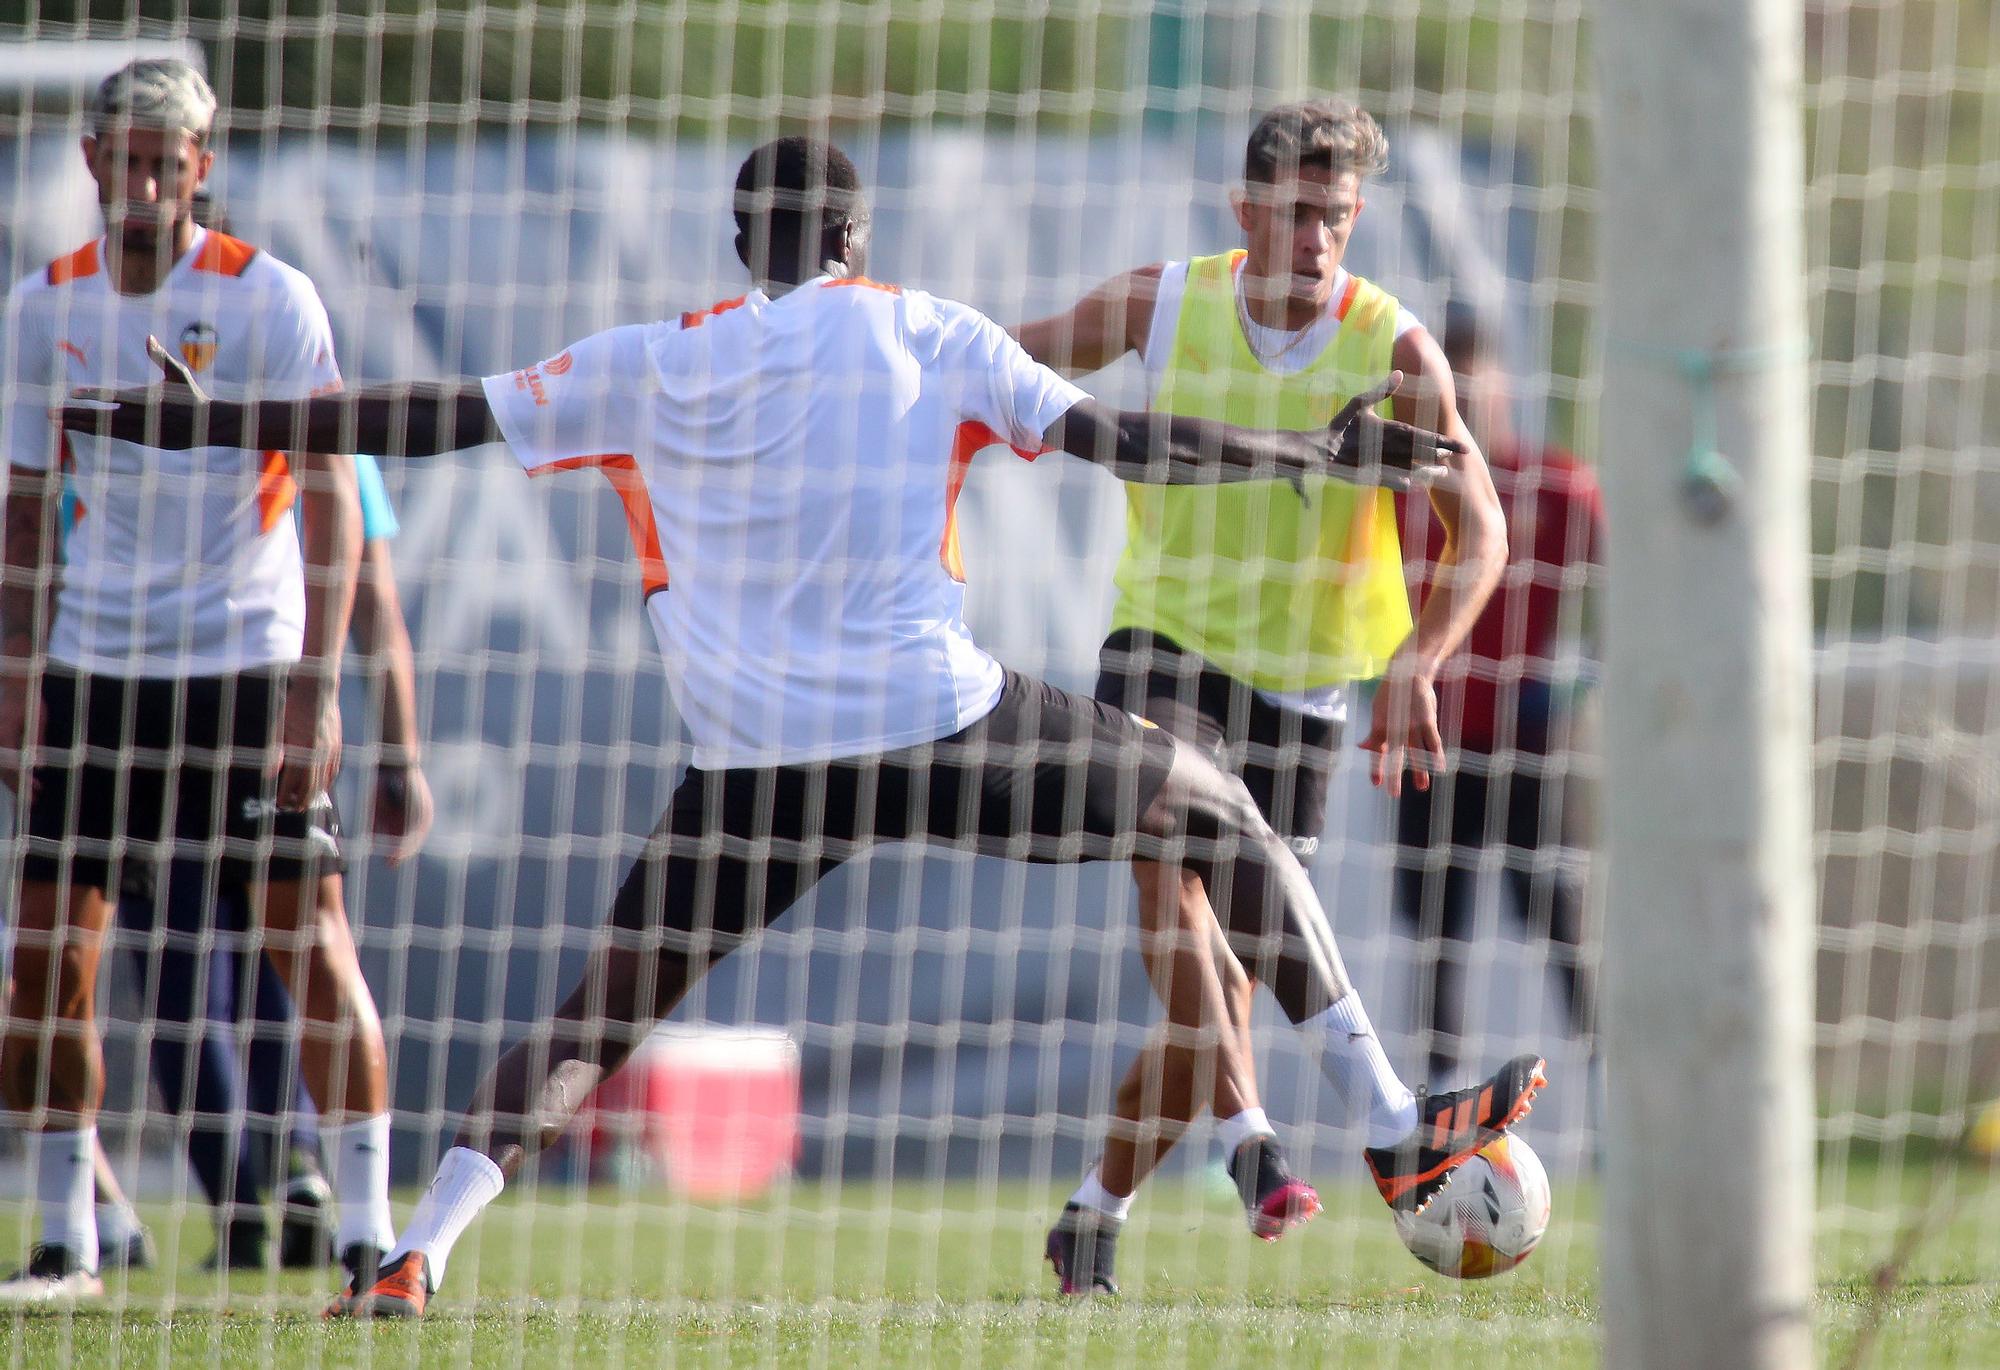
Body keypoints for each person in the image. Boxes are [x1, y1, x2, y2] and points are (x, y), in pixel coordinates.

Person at [59, 134, 1543, 1321]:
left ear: (735, 248)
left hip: (752, 767)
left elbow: (423, 412)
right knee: (1212, 803)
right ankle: (1392, 1122)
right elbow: (1121, 439)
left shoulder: (657, 356)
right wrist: (1306, 452)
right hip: (939, 727)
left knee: (593, 1018)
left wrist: (200, 423)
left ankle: (416, 1250)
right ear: (855, 240)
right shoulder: (923, 330)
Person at [1011, 99, 1511, 1293]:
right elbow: (1009, 353)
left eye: (1336, 216)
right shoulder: (1159, 302)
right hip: (1163, 648)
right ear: (1245, 213)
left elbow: (1479, 526)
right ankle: (1257, 1141)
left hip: (1300, 687)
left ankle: (1092, 1210)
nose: (1318, 236)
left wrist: (1415, 657)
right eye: (1296, 212)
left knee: (1215, 1004)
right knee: (1162, 859)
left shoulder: (1393, 349)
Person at [0, 58, 397, 1305]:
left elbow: (332, 500)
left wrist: (314, 690)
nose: (145, 177)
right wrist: (18, 674)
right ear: (91, 161)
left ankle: (369, 1230)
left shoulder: (271, 298)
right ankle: (68, 1239)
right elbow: (24, 514)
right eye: (124, 154)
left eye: (168, 158)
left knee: (304, 939)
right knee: (49, 960)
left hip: (244, 658)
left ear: (200, 168)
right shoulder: (38, 310)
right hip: (99, 672)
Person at [112, 445, 433, 1271]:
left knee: (242, 967)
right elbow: (376, 603)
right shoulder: (143, 409)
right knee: (251, 967)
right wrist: (399, 757)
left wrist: (398, 755)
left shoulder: (315, 428)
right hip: (201, 709)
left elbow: (371, 597)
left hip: (241, 711)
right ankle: (286, 1187)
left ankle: (266, 1198)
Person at [1390, 303, 1600, 1091]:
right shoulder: (1403, 495)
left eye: (1482, 370)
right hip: (1431, 742)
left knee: (1560, 921)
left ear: (1506, 382)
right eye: (1455, 373)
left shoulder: (1558, 487)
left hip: (1528, 743)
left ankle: (1609, 1091)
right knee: (1435, 935)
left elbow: (1627, 569)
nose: (1472, 390)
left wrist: (1593, 674)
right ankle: (1437, 1102)